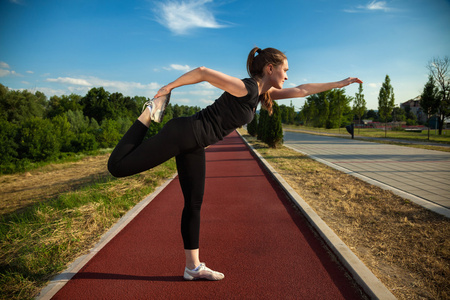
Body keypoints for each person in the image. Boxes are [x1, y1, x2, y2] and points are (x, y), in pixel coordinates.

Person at [107, 47, 362, 281]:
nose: (287, 75)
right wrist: (167, 88)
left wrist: (341, 83)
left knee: (194, 203)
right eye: (285, 70)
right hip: (183, 134)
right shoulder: (247, 88)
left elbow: (303, 90)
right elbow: (203, 72)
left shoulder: (263, 93)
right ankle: (148, 111)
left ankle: (192, 267)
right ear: (269, 69)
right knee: (117, 167)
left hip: (194, 144)